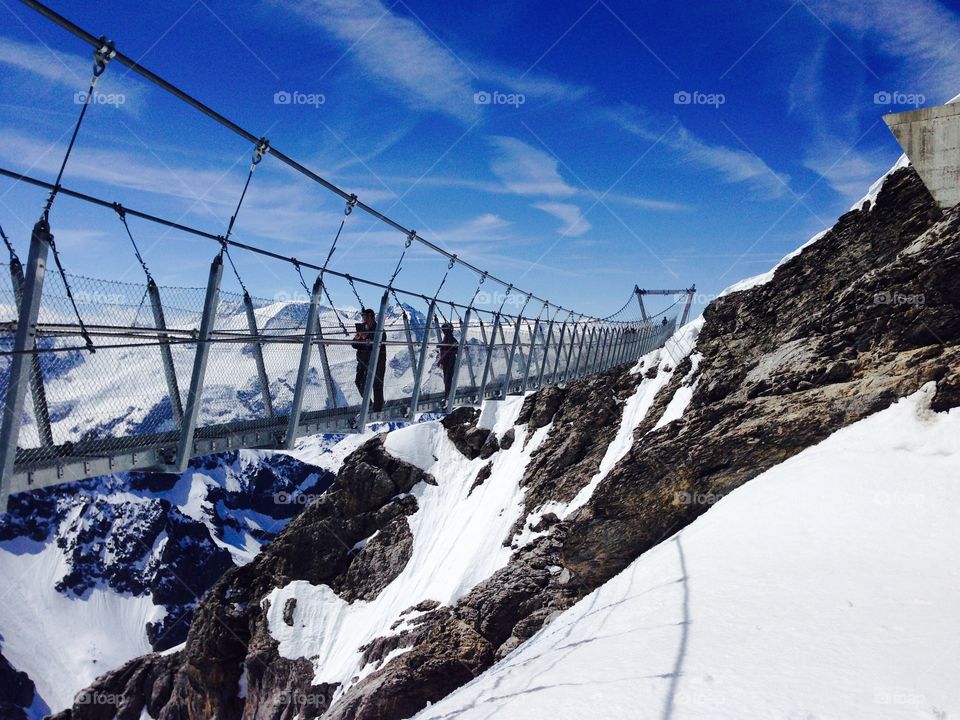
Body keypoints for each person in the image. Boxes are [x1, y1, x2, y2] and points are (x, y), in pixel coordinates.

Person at [352, 308, 387, 412]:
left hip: (378, 361)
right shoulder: (363, 329)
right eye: (363, 317)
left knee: (377, 384)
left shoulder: (379, 328)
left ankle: (378, 408)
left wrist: (368, 338)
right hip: (363, 360)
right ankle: (369, 404)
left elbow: (381, 339)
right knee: (358, 381)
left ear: (372, 317)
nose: (364, 320)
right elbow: (354, 345)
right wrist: (358, 338)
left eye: (366, 317)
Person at [438, 322, 458, 395]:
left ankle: (448, 393)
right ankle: (448, 392)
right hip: (448, 359)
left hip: (449, 359)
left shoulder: (448, 337)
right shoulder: (449, 337)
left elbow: (455, 348)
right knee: (447, 376)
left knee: (448, 376)